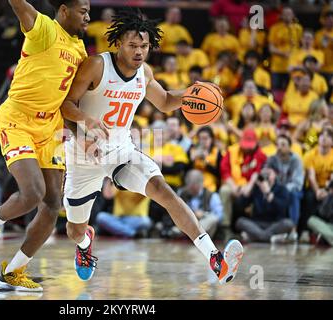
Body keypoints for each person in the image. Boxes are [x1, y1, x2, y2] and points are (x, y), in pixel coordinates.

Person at [60, 9, 243, 285]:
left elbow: (167, 101)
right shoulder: (96, 65)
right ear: (119, 42)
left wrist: (194, 94)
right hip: (83, 155)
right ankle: (85, 244)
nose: (138, 52)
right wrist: (84, 132)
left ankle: (215, 258)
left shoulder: (144, 73)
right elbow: (66, 105)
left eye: (144, 46)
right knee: (74, 230)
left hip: (121, 151)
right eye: (132, 45)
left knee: (164, 191)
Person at [0, 0, 92, 292]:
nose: (88, 17)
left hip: (50, 126)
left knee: (51, 203)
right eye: (82, 11)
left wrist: (82, 135)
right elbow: (17, 4)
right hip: (18, 119)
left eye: (89, 11)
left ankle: (13, 272)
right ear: (63, 10)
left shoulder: (81, 50)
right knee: (32, 193)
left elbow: (69, 101)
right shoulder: (44, 29)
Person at [235, 167, 295, 243]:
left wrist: (268, 193)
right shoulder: (256, 188)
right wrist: (250, 184)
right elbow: (240, 205)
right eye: (263, 173)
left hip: (274, 224)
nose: (265, 176)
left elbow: (282, 209)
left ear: (275, 175)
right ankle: (270, 238)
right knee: (240, 221)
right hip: (257, 223)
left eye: (268, 173)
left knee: (288, 223)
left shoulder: (282, 189)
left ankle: (255, 237)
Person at [265, 135, 304, 230]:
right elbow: (263, 173)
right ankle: (270, 226)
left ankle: (293, 228)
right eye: (278, 144)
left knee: (293, 195)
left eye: (283, 145)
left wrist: (283, 190)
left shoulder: (296, 160)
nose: (279, 147)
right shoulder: (272, 159)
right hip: (277, 188)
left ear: (289, 147)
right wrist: (268, 173)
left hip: (292, 189)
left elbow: (298, 183)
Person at [177, 170, 224, 238]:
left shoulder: (212, 196)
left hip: (205, 226)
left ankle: (193, 232)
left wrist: (204, 214)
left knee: (213, 218)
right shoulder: (182, 193)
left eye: (193, 186)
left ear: (201, 183)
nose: (190, 189)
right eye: (189, 186)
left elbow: (219, 216)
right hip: (188, 222)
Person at [268, 7, 303, 90]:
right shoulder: (275, 28)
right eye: (285, 14)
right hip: (277, 67)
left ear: (293, 15)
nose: (287, 16)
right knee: (276, 90)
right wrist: (283, 53)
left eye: (289, 14)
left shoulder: (298, 28)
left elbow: (301, 46)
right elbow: (271, 48)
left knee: (292, 89)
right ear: (281, 16)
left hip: (293, 66)